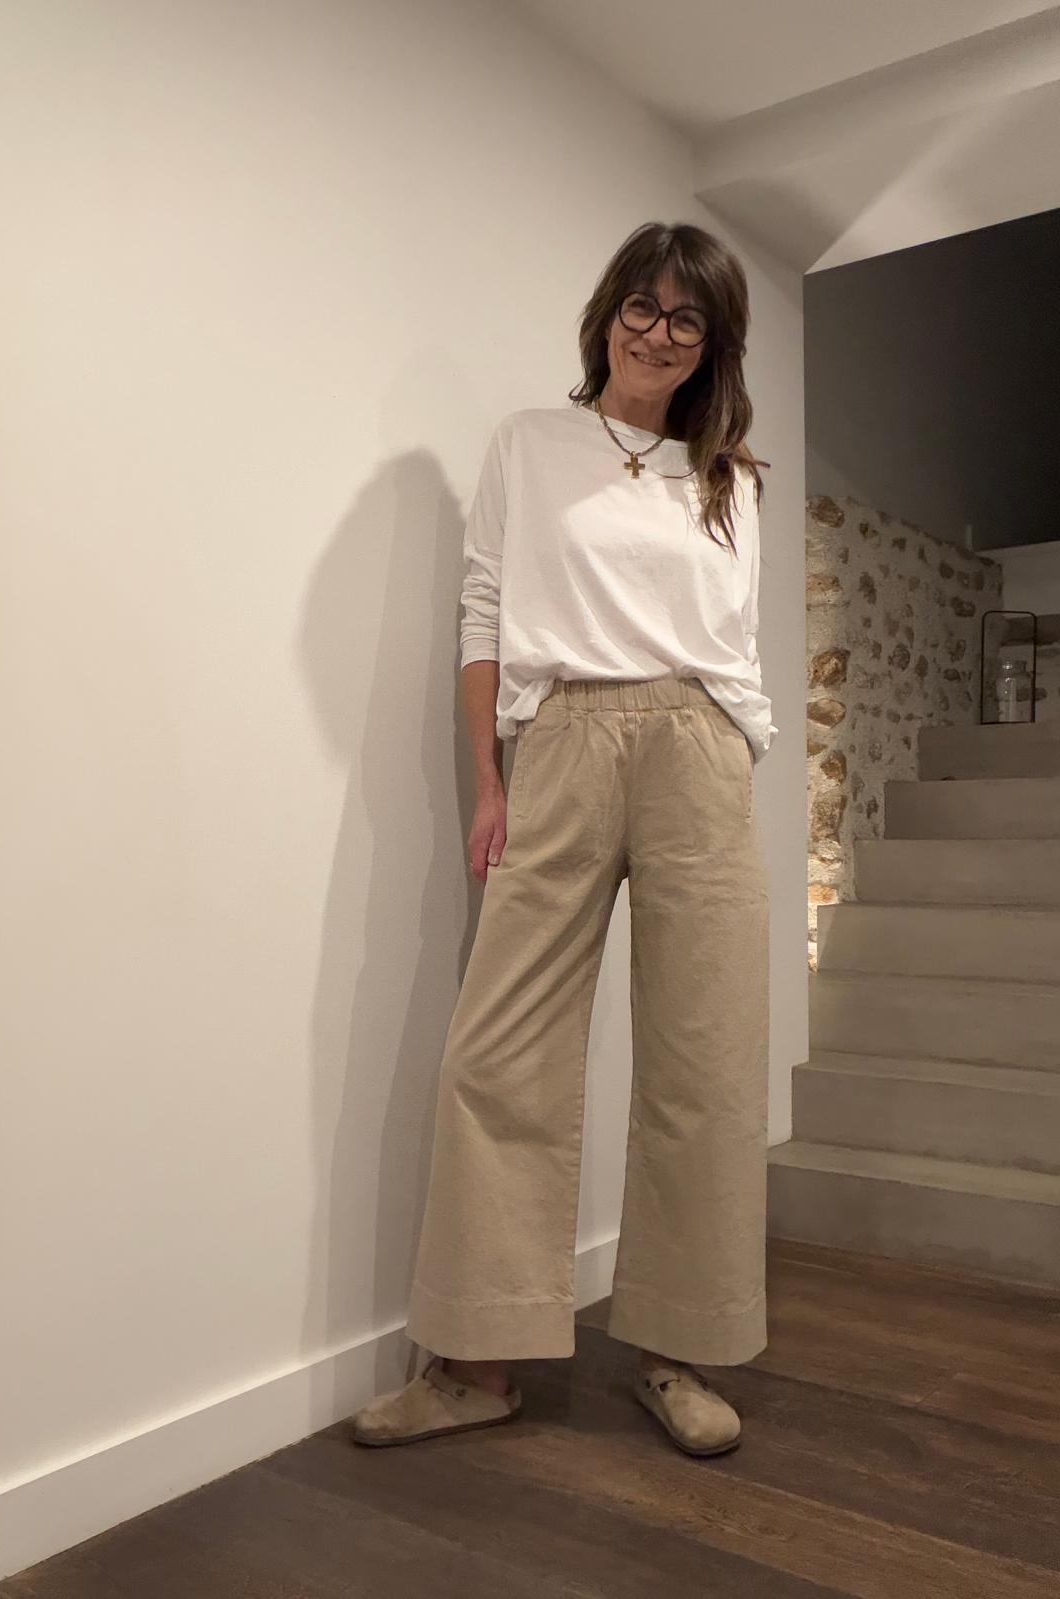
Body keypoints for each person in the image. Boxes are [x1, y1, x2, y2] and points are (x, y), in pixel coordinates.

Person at [352, 221, 777, 1458]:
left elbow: (737, 639)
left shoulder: (729, 478)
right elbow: (485, 608)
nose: (659, 333)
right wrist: (489, 778)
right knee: (498, 1051)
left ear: (711, 345)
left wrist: (732, 746)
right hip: (566, 737)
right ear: (607, 316)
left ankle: (678, 1351)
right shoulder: (531, 444)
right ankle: (475, 1361)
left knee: (706, 1059)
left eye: (687, 319)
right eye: (643, 307)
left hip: (699, 745)